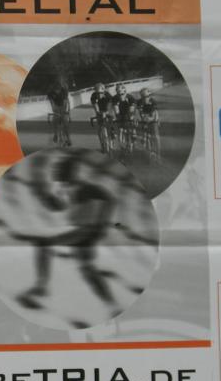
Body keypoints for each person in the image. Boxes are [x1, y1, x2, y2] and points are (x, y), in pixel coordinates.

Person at [16, 154, 123, 325]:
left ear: (69, 172)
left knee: (43, 244)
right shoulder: (63, 188)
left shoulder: (84, 188)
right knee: (87, 270)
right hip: (82, 231)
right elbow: (58, 205)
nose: (56, 173)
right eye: (56, 170)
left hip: (84, 230)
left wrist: (103, 223)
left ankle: (42, 287)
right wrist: (42, 196)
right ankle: (112, 305)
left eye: (60, 170)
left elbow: (109, 198)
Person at [112, 84, 137, 153]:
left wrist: (131, 117)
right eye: (118, 94)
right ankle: (121, 144)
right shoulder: (115, 98)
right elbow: (116, 110)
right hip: (120, 113)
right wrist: (116, 117)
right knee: (120, 127)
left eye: (122, 94)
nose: (120, 96)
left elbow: (132, 110)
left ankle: (133, 135)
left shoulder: (130, 98)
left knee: (130, 124)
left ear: (125, 92)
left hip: (129, 112)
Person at [46, 75, 71, 147]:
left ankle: (68, 138)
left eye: (58, 89)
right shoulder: (50, 93)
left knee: (65, 123)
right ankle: (56, 134)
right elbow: (52, 103)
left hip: (63, 106)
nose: (57, 90)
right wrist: (54, 110)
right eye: (56, 89)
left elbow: (66, 102)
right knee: (55, 120)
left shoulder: (64, 91)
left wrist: (66, 112)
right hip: (56, 106)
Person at [138, 87, 161, 161]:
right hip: (145, 119)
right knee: (144, 138)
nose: (145, 98)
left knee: (156, 137)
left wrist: (150, 119)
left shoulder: (153, 102)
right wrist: (143, 121)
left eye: (147, 96)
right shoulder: (139, 102)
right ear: (141, 97)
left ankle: (158, 154)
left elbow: (155, 116)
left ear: (149, 95)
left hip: (153, 119)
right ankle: (148, 153)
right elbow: (140, 114)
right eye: (143, 97)